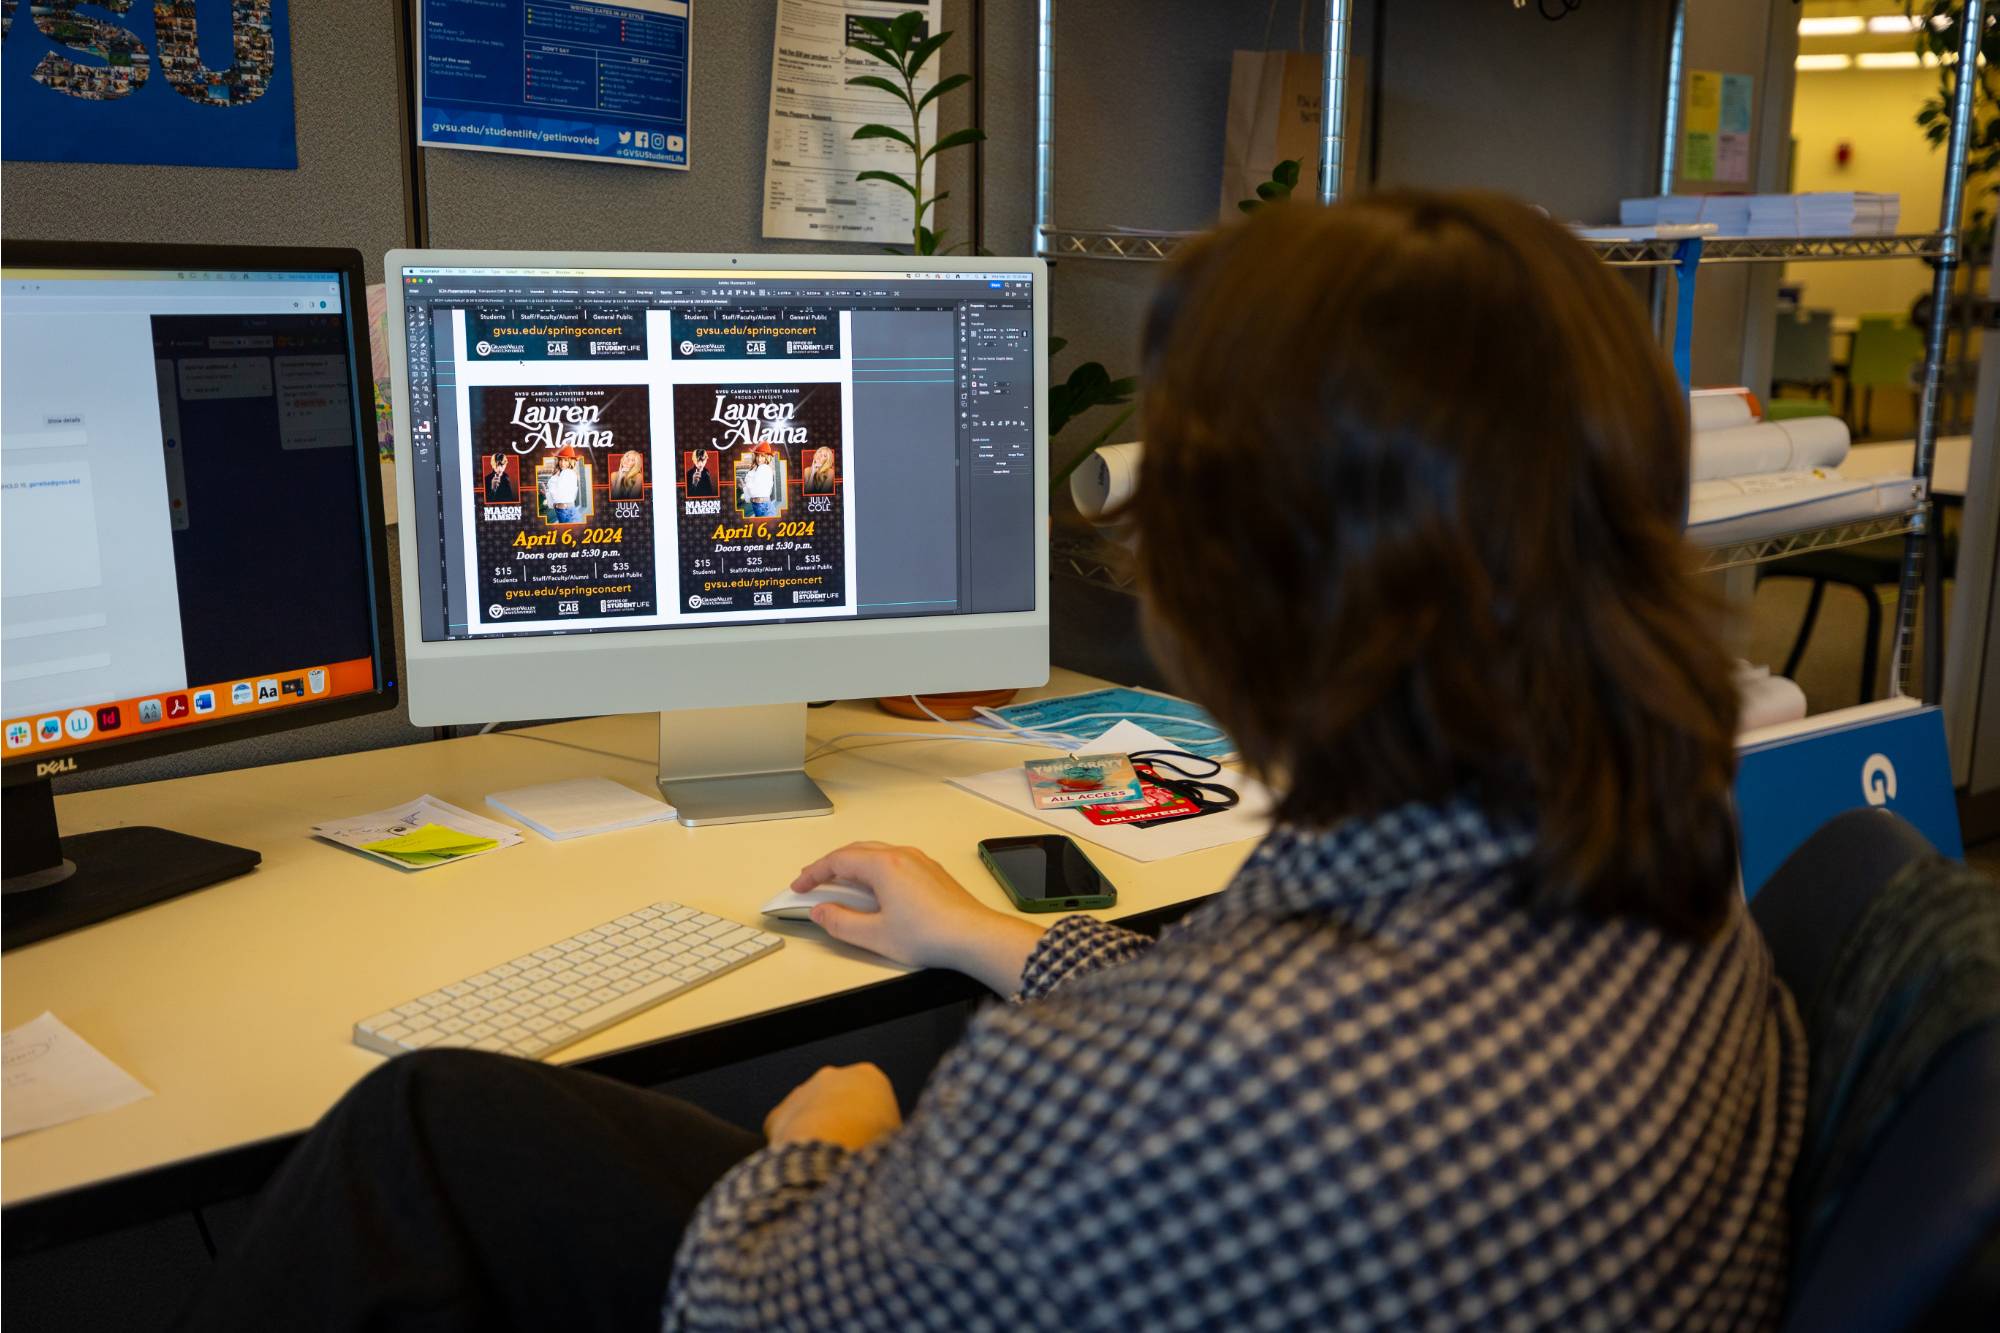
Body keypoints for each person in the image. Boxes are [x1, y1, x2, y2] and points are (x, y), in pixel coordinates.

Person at [176, 193, 1805, 1332]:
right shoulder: (1672, 885)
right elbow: (1242, 1030)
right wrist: (999, 938)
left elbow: (756, 1306)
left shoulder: (1187, 1087)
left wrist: (822, 1150)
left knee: (420, 1134)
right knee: (469, 1113)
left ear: (1238, 584)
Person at [539, 445, 584, 524]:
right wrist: (547, 494)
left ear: (570, 461)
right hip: (566, 512)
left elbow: (556, 496)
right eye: (560, 460)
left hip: (566, 512)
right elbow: (558, 495)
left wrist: (549, 495)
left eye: (566, 460)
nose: (562, 463)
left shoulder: (567, 473)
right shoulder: (565, 473)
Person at [738, 443, 779, 518]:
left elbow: (752, 492)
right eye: (757, 456)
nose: (759, 459)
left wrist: (745, 486)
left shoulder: (763, 468)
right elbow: (750, 496)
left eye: (762, 456)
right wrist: (745, 487)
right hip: (760, 507)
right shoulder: (759, 469)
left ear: (766, 457)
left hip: (764, 508)